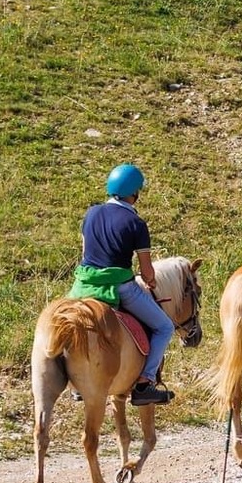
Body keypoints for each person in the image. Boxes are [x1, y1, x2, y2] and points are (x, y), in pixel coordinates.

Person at [69, 164, 175, 406]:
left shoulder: (91, 213)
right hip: (120, 287)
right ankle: (145, 383)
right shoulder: (136, 223)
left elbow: (86, 252)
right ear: (135, 193)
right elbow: (147, 270)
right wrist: (150, 280)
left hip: (83, 285)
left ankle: (75, 384)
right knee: (164, 327)